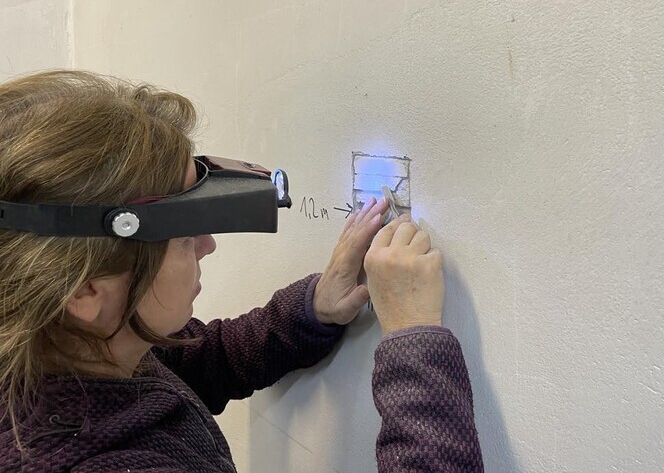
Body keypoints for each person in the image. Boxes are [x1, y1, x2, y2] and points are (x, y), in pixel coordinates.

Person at [0, 70, 483, 472]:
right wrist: (414, 339)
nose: (207, 246)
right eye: (184, 236)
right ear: (85, 290)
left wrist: (314, 308)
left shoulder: (70, 352)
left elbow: (206, 359)